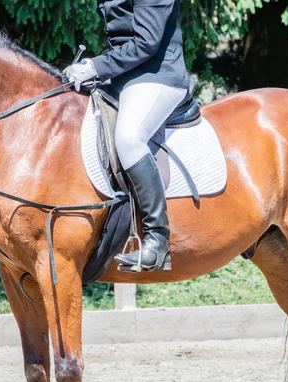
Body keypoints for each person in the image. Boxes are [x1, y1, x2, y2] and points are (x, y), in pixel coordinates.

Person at [66, 0, 189, 272]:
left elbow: (147, 42)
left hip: (158, 74)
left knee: (129, 138)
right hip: (124, 77)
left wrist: (96, 66)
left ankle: (157, 240)